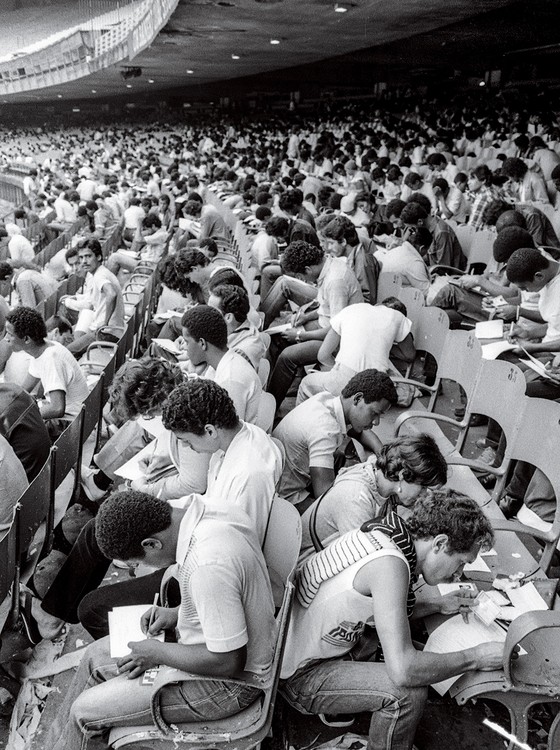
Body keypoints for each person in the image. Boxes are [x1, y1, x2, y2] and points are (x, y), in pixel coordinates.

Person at [46, 489, 276, 750]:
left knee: (83, 713)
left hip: (230, 686)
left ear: (152, 544)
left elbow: (228, 662)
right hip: (212, 650)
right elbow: (231, 595)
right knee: (93, 657)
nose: (140, 569)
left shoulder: (207, 564)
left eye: (136, 561)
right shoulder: (202, 509)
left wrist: (156, 653)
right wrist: (177, 614)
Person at [281, 491, 503, 750]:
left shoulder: (386, 535)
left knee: (415, 654)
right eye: (461, 562)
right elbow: (404, 670)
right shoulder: (390, 565)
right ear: (440, 544)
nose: (458, 574)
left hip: (307, 651)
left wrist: (437, 604)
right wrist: (476, 656)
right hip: (300, 675)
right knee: (407, 693)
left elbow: (383, 610)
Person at [300, 434, 448, 554]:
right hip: (307, 567)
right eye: (423, 487)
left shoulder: (379, 476)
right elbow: (362, 559)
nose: (424, 495)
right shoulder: (356, 498)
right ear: (403, 475)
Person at [273, 369, 397, 507]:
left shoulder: (328, 401)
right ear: (357, 399)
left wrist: (382, 453)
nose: (376, 422)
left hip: (288, 472)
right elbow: (325, 495)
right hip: (285, 496)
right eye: (374, 413)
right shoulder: (325, 429)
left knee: (340, 458)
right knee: (354, 509)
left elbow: (361, 432)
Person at [266, 240, 363, 406]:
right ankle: (278, 389)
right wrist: (305, 317)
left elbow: (337, 329)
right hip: (326, 327)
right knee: (276, 338)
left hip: (339, 341)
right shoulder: (327, 268)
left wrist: (300, 335)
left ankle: (272, 404)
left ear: (308, 269)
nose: (300, 280)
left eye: (299, 276)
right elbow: (325, 309)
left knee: (287, 357)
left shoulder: (335, 281)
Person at [297, 297, 414, 403]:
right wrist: (388, 343)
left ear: (377, 304)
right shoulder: (399, 317)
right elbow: (410, 355)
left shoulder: (353, 308)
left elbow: (322, 356)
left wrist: (339, 372)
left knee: (305, 385)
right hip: (375, 387)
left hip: (345, 381)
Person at [4, 307, 89, 438]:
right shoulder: (40, 350)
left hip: (71, 424)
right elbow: (23, 392)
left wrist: (21, 416)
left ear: (26, 339)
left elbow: (57, 408)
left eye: (10, 334)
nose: (6, 339)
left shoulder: (51, 358)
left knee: (11, 434)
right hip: (71, 419)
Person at [180, 305, 262, 423]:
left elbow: (227, 434)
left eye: (187, 342)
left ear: (202, 343)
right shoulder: (222, 360)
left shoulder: (230, 380)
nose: (184, 347)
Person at [61, 239, 125, 356]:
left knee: (65, 353)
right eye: (81, 258)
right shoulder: (101, 272)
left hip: (106, 334)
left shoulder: (99, 276)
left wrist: (105, 322)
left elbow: (111, 294)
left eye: (88, 256)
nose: (84, 261)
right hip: (112, 330)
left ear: (99, 257)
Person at [207, 283, 266, 368]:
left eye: (211, 312)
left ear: (228, 317)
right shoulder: (242, 329)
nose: (206, 315)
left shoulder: (240, 354)